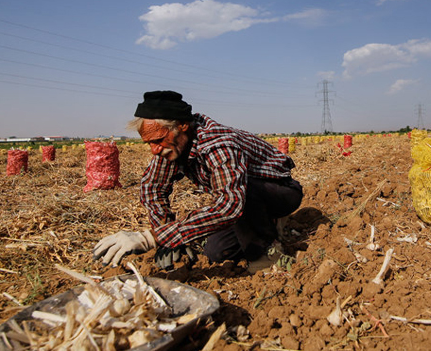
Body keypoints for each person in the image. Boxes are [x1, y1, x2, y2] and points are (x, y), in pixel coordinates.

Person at [93, 90, 303, 271]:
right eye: (149, 143)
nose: (154, 150)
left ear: (182, 125)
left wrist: (151, 238)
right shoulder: (173, 145)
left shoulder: (218, 145)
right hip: (244, 201)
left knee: (242, 195)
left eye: (158, 141)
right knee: (216, 252)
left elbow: (229, 206)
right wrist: (168, 237)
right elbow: (152, 187)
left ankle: (269, 254)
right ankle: (264, 225)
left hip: (279, 192)